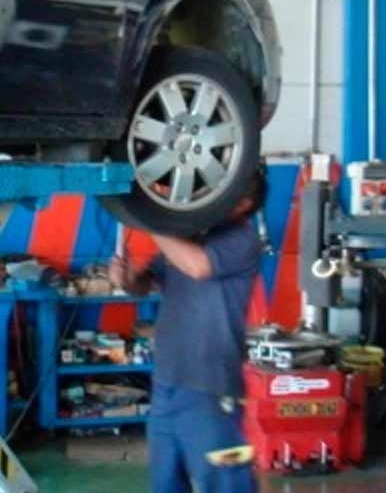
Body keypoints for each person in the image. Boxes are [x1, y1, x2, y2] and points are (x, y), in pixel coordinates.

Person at [108, 168, 268, 493]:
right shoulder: (189, 236)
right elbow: (146, 284)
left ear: (244, 204)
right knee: (166, 483)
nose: (209, 194)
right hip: (167, 382)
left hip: (209, 387)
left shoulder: (242, 239)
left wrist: (148, 217)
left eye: (224, 189)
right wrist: (126, 279)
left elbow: (197, 265)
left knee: (224, 484)